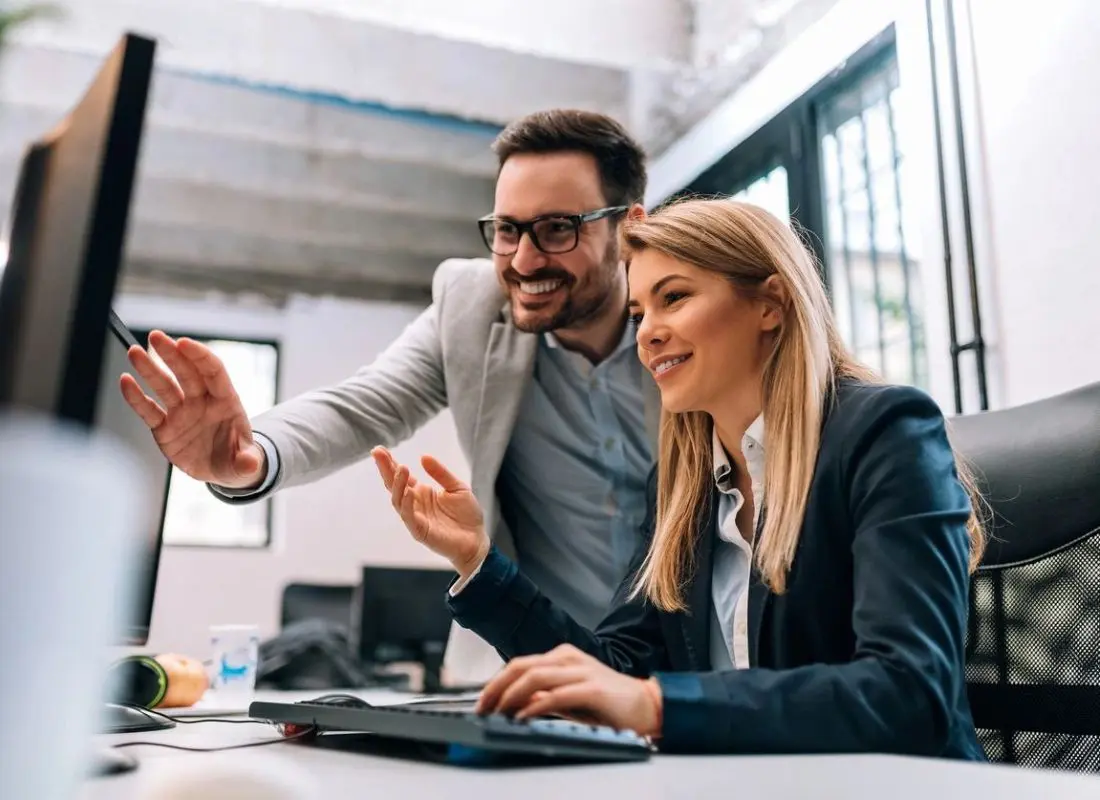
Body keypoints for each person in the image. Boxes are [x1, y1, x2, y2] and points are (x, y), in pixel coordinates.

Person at [371, 197, 988, 758]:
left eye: (675, 298)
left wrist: (657, 707)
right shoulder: (680, 485)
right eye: (640, 311)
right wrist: (479, 562)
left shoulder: (886, 434)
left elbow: (910, 692)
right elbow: (614, 671)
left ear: (769, 305)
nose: (648, 333)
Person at [118, 109, 660, 681]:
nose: (524, 260)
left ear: (628, 228)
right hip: (535, 666)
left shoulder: (691, 321)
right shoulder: (472, 308)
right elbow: (364, 404)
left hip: (690, 668)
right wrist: (251, 454)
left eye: (557, 229)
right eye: (507, 229)